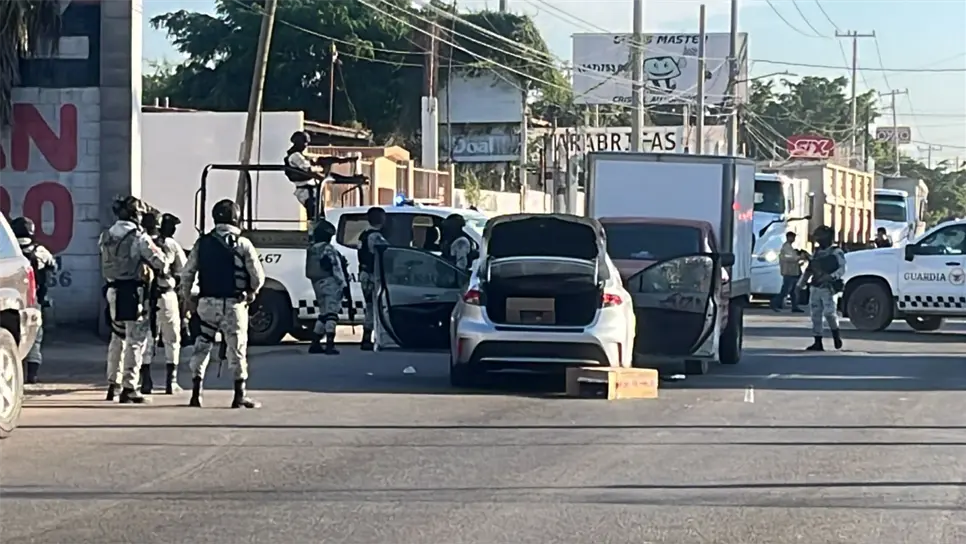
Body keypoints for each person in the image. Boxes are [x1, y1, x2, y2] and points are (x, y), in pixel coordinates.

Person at [182, 199, 266, 409]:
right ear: (236, 218)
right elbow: (258, 277)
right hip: (234, 305)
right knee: (237, 349)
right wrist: (251, 293)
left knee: (202, 346)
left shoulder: (202, 242)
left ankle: (195, 394)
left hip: (207, 303)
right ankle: (239, 396)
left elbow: (187, 273)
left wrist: (188, 298)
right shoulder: (242, 243)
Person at [99, 196, 169, 403]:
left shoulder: (106, 235)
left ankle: (113, 383)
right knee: (135, 341)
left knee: (117, 337)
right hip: (133, 293)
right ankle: (129, 388)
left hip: (112, 290)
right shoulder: (139, 236)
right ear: (134, 214)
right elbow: (160, 262)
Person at [141, 213, 188, 395]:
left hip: (145, 297)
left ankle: (146, 380)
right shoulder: (170, 245)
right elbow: (183, 271)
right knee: (172, 339)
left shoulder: (141, 243)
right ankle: (171, 382)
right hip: (167, 295)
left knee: (146, 338)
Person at [11, 217, 56, 384]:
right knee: (34, 337)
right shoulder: (39, 251)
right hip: (32, 299)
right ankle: (31, 375)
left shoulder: (8, 249)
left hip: (9, 300)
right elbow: (53, 267)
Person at [284, 131, 357, 221]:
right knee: (315, 217)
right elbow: (308, 169)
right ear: (297, 142)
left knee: (319, 216)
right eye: (304, 142)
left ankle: (350, 177)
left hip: (311, 189)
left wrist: (339, 160)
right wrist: (320, 170)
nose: (306, 145)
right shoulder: (295, 156)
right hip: (306, 191)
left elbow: (316, 164)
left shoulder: (301, 156)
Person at [798, 225, 846, 351]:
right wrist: (800, 285)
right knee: (815, 315)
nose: (818, 240)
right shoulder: (817, 252)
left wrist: (831, 277)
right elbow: (810, 269)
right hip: (815, 286)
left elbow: (842, 269)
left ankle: (836, 334)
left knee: (830, 313)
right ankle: (817, 341)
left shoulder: (836, 252)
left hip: (828, 287)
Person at [305, 220, 348, 354]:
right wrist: (343, 285)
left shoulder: (312, 249)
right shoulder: (328, 249)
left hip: (317, 284)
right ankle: (330, 344)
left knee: (323, 314)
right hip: (330, 283)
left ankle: (315, 342)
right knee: (331, 314)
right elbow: (336, 267)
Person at [356, 207, 389, 351]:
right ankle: (368, 338)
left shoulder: (364, 234)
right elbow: (386, 253)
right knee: (373, 307)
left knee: (370, 306)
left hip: (365, 274)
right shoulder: (375, 236)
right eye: (383, 217)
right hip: (372, 276)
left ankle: (367, 337)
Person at [770, 232, 808, 313]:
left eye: (794, 237)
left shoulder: (790, 248)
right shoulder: (786, 247)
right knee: (785, 290)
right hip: (788, 272)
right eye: (792, 237)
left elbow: (793, 259)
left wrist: (800, 261)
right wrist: (799, 257)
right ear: (788, 237)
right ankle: (774, 303)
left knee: (793, 291)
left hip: (793, 272)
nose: (793, 239)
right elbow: (789, 258)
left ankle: (795, 307)